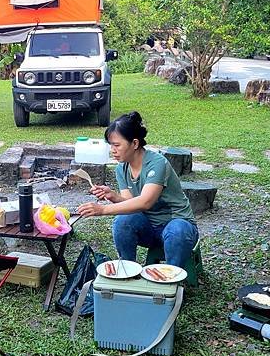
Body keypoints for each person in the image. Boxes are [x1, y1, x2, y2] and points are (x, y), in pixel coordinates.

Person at [77, 111, 199, 267]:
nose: (112, 150)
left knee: (177, 231)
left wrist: (102, 210)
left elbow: (145, 202)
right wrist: (113, 196)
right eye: (111, 146)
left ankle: (171, 284)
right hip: (149, 229)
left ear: (134, 143)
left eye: (117, 145)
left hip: (178, 226)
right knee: (122, 221)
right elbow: (130, 203)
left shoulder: (157, 163)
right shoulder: (122, 168)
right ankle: (128, 270)